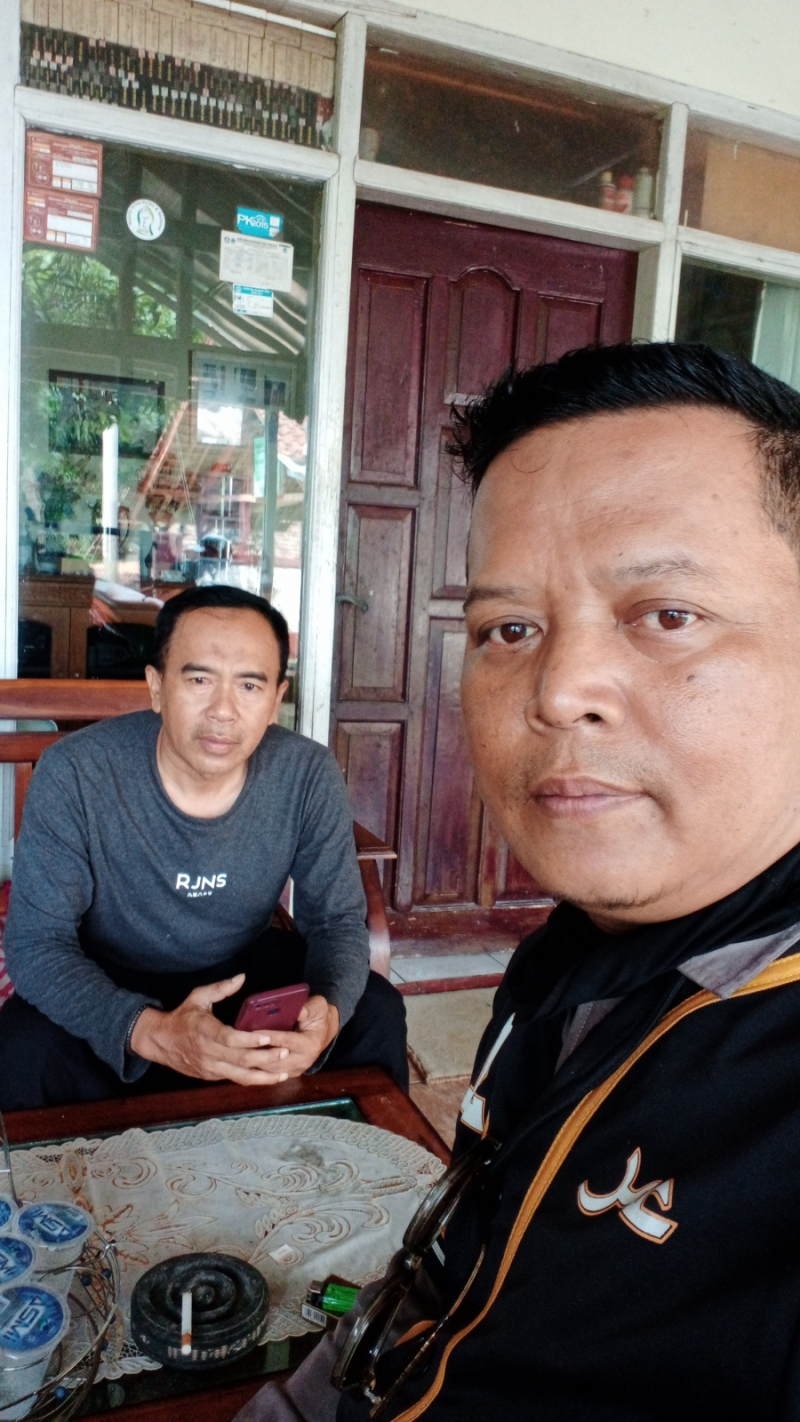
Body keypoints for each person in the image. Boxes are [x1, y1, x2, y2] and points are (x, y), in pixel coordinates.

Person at [235, 342, 800, 1422]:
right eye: (509, 629)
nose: (556, 688)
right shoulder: (563, 961)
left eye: (666, 613)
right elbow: (455, 1274)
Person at [0, 584, 407, 1109]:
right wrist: (151, 1032)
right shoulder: (76, 774)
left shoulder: (306, 774)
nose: (223, 711)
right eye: (199, 679)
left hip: (240, 975)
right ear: (156, 687)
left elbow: (336, 923)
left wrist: (325, 1017)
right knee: (23, 1048)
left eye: (249, 685)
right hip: (111, 983)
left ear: (276, 700)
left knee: (373, 1011)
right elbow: (36, 945)